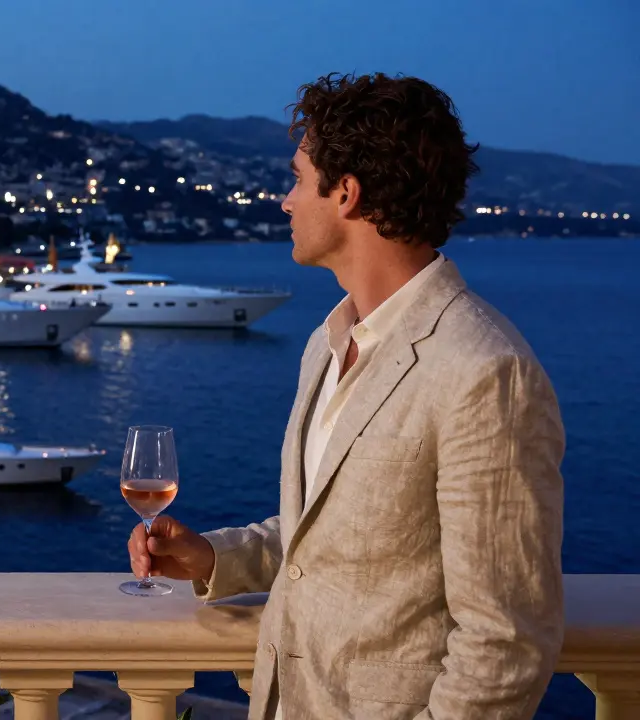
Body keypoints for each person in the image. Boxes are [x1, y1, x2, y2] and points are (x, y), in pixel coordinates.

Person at [127, 73, 565, 719]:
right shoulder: (328, 343)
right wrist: (215, 556)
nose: (285, 201)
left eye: (299, 179)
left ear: (348, 195)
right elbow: (340, 541)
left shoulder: (485, 372)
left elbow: (506, 643)